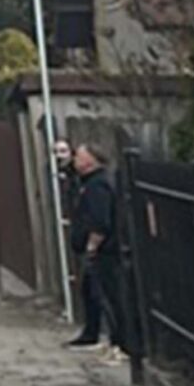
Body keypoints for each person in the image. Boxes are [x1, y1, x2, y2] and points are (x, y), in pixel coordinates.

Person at [68, 143, 126, 351]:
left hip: (104, 251)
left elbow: (100, 220)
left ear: (89, 161)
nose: (75, 160)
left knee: (105, 294)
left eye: (79, 157)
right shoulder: (89, 183)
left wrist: (92, 246)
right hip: (98, 249)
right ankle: (91, 333)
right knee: (89, 291)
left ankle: (120, 341)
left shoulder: (97, 186)